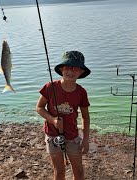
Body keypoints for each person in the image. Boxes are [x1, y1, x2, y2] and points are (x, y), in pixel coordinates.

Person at [36, 51, 91, 180]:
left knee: (79, 171)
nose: (70, 72)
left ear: (81, 72)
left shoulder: (81, 92)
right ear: (61, 69)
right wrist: (52, 119)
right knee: (59, 171)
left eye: (75, 68)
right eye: (67, 67)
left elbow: (85, 116)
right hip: (52, 135)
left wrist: (86, 140)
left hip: (72, 135)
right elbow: (39, 107)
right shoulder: (50, 87)